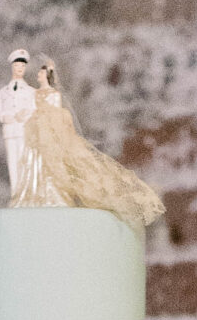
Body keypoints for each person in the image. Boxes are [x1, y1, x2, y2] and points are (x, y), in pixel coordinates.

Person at [9, 63, 165, 230]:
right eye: (39, 73)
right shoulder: (37, 94)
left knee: (57, 168)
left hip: (50, 135)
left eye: (41, 73)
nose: (38, 76)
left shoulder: (54, 94)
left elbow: (55, 112)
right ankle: (39, 197)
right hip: (38, 136)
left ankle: (57, 197)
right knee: (39, 167)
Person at [0, 51, 36, 196]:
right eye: (17, 65)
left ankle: (26, 193)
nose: (19, 69)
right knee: (12, 162)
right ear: (12, 66)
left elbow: (34, 109)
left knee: (25, 161)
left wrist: (25, 114)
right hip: (10, 131)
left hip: (24, 130)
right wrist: (6, 117)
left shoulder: (31, 91)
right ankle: (15, 193)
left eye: (22, 66)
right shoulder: (3, 91)